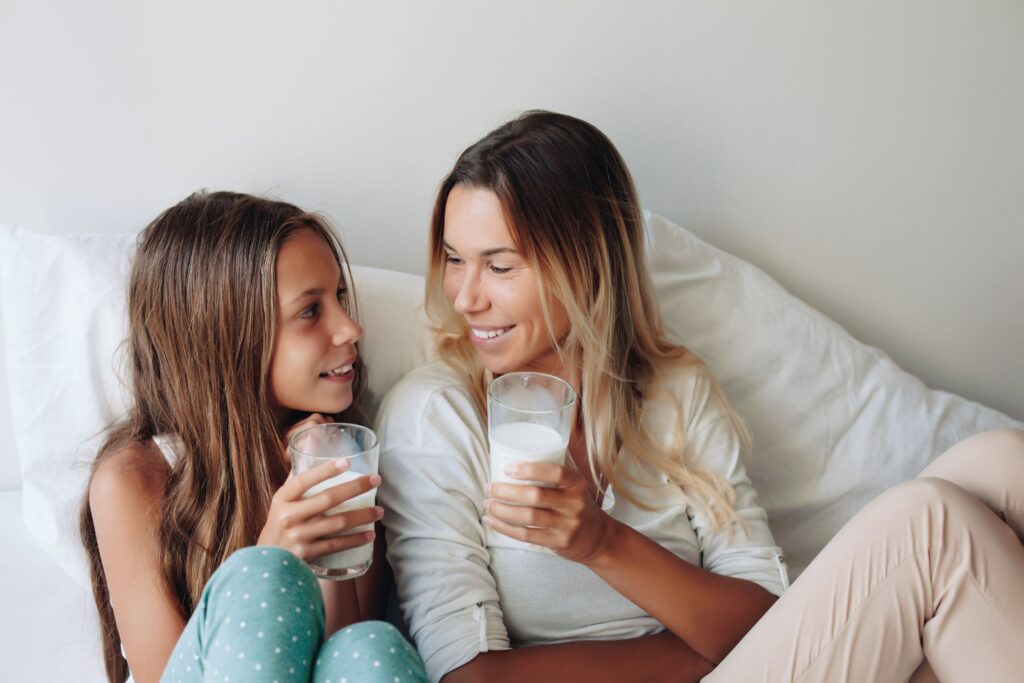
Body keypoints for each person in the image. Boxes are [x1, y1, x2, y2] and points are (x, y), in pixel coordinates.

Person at [375, 111, 1024, 682]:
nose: (465, 296)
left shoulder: (670, 391)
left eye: (499, 264)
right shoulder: (438, 413)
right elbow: (471, 677)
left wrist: (603, 541)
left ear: (587, 263)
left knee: (1002, 461)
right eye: (455, 258)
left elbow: (767, 613)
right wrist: (697, 651)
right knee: (932, 526)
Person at [79, 191, 428, 683]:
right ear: (227, 335)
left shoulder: (345, 448)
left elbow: (344, 655)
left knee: (372, 645)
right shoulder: (133, 479)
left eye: (340, 299)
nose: (350, 328)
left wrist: (323, 523)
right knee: (262, 577)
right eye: (310, 311)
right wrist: (275, 551)